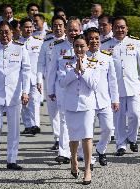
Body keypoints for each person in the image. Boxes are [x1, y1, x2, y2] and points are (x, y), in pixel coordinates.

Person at [0, 21, 31, 173]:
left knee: (14, 129)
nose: (4, 35)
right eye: (1, 32)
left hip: (14, 94)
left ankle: (12, 159)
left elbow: (26, 71)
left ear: (12, 32)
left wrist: (25, 91)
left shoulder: (20, 48)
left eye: (7, 32)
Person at [101, 16, 140, 156]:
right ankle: (121, 144)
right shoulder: (105, 45)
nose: (120, 30)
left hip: (133, 86)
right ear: (112, 28)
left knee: (135, 115)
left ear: (127, 28)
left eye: (122, 27)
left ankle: (132, 139)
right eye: (117, 27)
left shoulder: (135, 42)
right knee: (119, 118)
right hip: (116, 89)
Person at [59, 34, 100, 185]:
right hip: (70, 105)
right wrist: (74, 72)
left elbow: (94, 85)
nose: (79, 49)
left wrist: (83, 70)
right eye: (76, 46)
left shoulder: (94, 63)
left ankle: (87, 169)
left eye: (82, 46)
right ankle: (74, 159)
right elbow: (62, 83)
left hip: (87, 105)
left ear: (88, 47)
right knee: (73, 137)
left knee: (87, 136)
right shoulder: (65, 62)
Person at [47, 19, 82, 164]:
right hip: (62, 89)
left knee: (81, 120)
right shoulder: (57, 47)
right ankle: (64, 152)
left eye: (75, 30)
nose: (73, 33)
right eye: (70, 30)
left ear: (80, 30)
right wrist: (50, 89)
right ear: (65, 31)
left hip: (81, 89)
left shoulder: (84, 45)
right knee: (63, 119)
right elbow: (51, 70)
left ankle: (80, 151)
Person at [85, 27, 119, 166]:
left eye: (97, 38)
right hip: (87, 101)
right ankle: (90, 158)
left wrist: (115, 99)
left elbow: (112, 80)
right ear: (86, 40)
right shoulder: (82, 57)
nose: (94, 41)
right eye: (91, 38)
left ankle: (101, 149)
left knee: (109, 129)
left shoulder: (106, 57)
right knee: (88, 132)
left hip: (104, 100)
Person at [38, 15, 67, 150]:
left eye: (60, 25)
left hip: (65, 84)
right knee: (53, 112)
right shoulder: (46, 44)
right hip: (50, 83)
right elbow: (40, 64)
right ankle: (57, 138)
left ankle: (66, 139)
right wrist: (39, 80)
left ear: (65, 27)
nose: (58, 28)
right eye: (55, 25)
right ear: (51, 27)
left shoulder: (70, 42)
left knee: (64, 113)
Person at [18, 18, 43, 135]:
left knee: (35, 101)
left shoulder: (39, 42)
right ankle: (27, 125)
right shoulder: (16, 43)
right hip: (21, 78)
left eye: (30, 27)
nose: (29, 29)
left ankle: (35, 125)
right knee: (24, 103)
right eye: (26, 27)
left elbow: (42, 61)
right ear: (21, 28)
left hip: (34, 76)